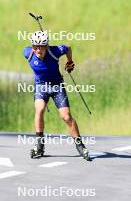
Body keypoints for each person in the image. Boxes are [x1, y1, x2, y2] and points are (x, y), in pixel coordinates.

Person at [23, 30, 89, 160]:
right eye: (35, 46)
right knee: (39, 109)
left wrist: (70, 62)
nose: (38, 50)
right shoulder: (27, 53)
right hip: (41, 86)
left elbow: (68, 47)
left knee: (66, 117)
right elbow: (30, 50)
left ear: (47, 46)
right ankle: (39, 146)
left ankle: (80, 146)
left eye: (41, 46)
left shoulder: (55, 51)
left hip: (57, 86)